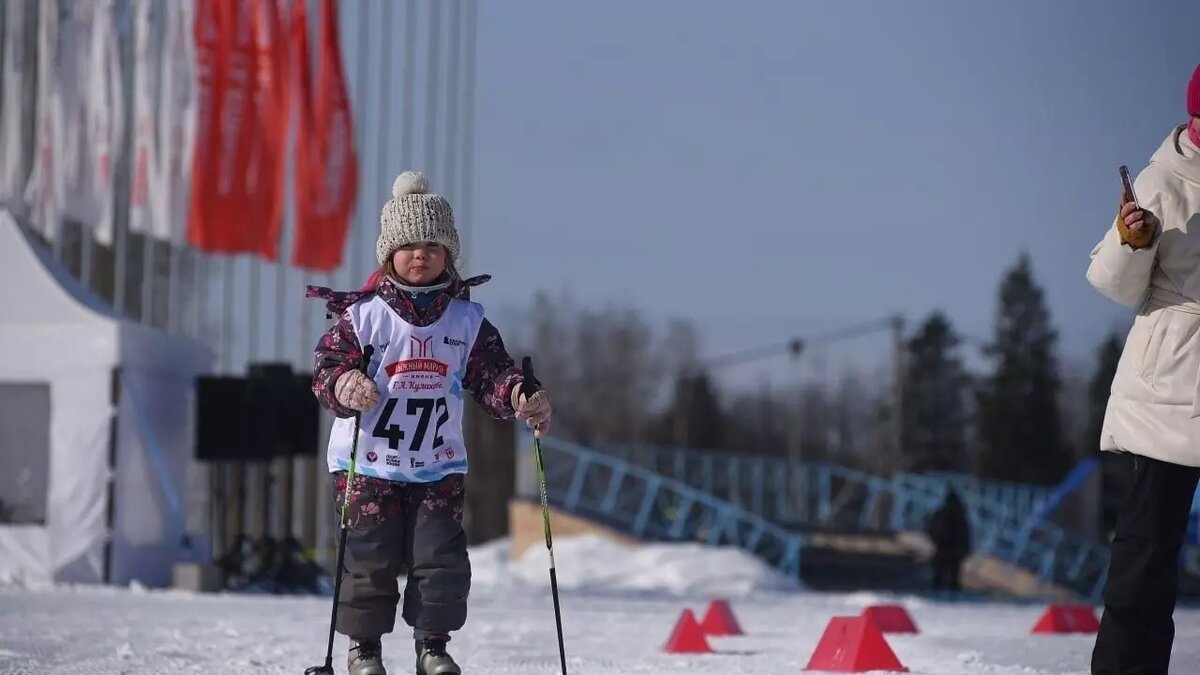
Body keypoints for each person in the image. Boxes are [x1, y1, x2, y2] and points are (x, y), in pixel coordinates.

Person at [309, 171, 553, 675]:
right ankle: (365, 648)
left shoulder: (466, 321)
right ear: (388, 255)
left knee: (439, 558)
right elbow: (326, 369)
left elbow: (491, 374)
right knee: (369, 558)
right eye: (407, 246)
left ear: (450, 255)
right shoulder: (364, 317)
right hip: (370, 463)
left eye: (433, 245)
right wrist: (344, 385)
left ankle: (433, 646)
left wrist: (519, 395)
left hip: (437, 464)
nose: (420, 255)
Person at [1085, 63, 1200, 675]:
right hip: (1166, 391)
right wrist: (1134, 242)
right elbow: (1110, 284)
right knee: (1146, 558)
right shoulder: (1159, 179)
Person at [925, 488, 970, 592]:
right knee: (953, 575)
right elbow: (965, 533)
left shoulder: (943, 513)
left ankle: (938, 592)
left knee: (940, 574)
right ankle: (951, 592)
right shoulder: (960, 515)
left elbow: (932, 527)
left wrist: (935, 539)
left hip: (943, 546)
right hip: (953, 548)